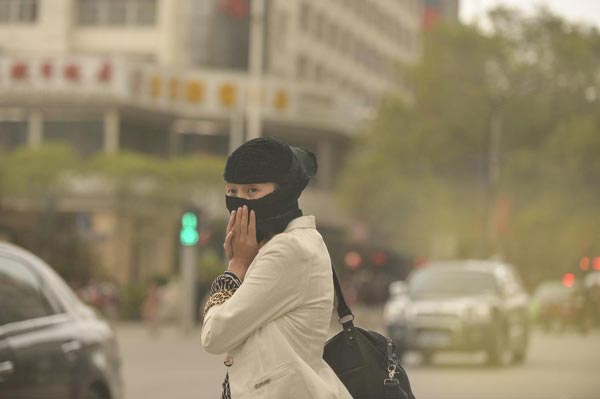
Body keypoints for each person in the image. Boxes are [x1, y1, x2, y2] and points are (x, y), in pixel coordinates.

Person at [201, 137, 352, 399]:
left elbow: (215, 336)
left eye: (252, 191)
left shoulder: (287, 251)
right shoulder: (297, 243)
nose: (240, 204)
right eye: (232, 192)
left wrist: (235, 267)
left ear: (283, 192)